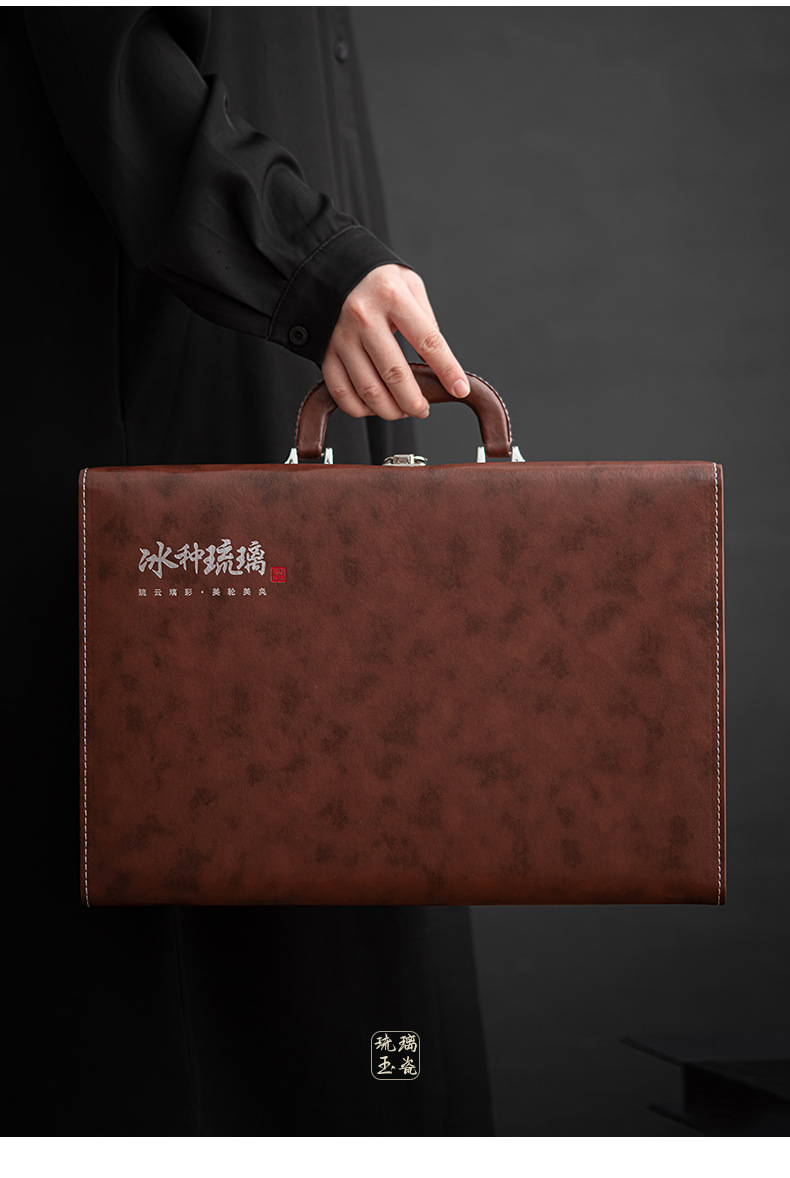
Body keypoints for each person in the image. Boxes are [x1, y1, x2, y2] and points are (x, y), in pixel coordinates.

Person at [9, 8, 493, 1134]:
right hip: (163, 379)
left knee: (343, 868)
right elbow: (107, 53)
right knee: (178, 930)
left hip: (292, 360)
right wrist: (308, 259)